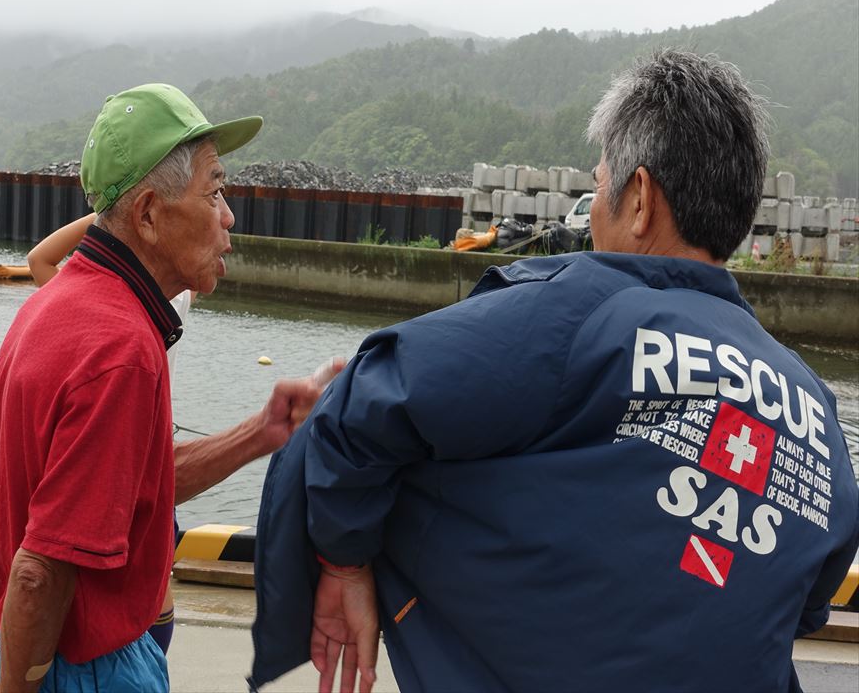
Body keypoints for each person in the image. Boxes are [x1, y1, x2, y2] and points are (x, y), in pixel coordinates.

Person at [249, 49, 859, 693]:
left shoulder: (580, 314)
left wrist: (344, 561)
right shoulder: (814, 406)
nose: (594, 210)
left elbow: (367, 401)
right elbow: (804, 596)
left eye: (598, 186)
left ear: (641, 199)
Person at [0, 83, 340, 692]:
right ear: (148, 214)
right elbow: (42, 571)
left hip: (25, 644)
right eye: (216, 191)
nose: (229, 216)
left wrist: (264, 430)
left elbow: (129, 486)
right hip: (81, 665)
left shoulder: (58, 305)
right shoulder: (120, 350)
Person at [26, 214, 193, 656]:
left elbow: (39, 259)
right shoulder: (168, 300)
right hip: (152, 454)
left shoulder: (119, 317)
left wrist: (109, 210)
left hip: (126, 457)